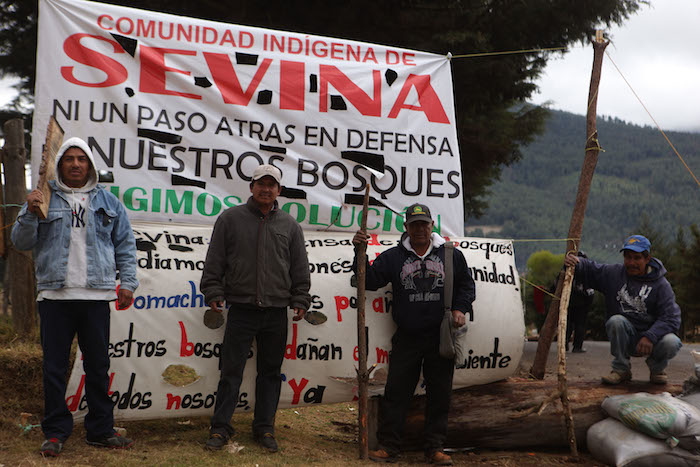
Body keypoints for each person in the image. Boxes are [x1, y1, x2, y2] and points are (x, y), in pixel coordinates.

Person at [11, 137, 138, 457]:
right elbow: (21, 242)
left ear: (90, 165)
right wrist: (28, 211)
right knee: (54, 367)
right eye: (70, 159)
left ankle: (100, 430)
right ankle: (55, 432)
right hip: (55, 297)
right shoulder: (44, 199)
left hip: (96, 297)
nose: (77, 164)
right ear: (60, 164)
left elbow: (125, 246)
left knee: (98, 366)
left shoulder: (109, 202)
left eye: (82, 159)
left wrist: (128, 284)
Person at [352, 203, 475, 465]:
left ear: (432, 226)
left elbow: (466, 285)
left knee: (440, 393)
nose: (420, 229)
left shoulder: (450, 255)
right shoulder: (394, 257)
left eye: (424, 224)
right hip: (407, 335)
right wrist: (359, 251)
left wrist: (460, 308)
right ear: (406, 228)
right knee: (396, 392)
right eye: (414, 224)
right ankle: (389, 447)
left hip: (440, 335)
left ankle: (435, 448)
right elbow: (368, 280)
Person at [200, 163, 310, 453]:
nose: (265, 189)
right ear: (251, 187)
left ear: (279, 191)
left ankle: (264, 428)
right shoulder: (230, 219)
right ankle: (220, 428)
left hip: (276, 312)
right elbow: (215, 261)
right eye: (260, 183)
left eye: (271, 184)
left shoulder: (290, 225)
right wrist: (212, 290)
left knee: (271, 374)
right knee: (230, 372)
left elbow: (300, 267)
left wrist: (300, 299)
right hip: (241, 310)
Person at [564, 235, 682, 385]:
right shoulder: (614, 274)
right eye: (628, 257)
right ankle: (621, 369)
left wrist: (650, 336)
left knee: (672, 342)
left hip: (652, 342)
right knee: (616, 321)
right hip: (627, 338)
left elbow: (671, 318)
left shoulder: (661, 285)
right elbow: (591, 269)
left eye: (637, 258)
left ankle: (657, 368)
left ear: (647, 259)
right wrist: (575, 263)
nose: (631, 263)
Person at [554, 251, 594, 353]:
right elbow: (590, 290)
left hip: (570, 302)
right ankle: (576, 346)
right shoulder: (585, 272)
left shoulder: (566, 270)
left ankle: (565, 345)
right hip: (578, 303)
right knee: (577, 325)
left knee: (567, 324)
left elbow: (556, 285)